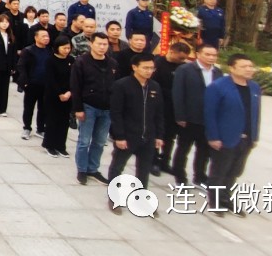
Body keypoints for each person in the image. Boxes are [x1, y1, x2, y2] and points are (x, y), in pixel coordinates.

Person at [106, 53, 164, 212]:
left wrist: (159, 135)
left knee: (144, 169)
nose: (149, 71)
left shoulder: (154, 87)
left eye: (151, 68)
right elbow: (116, 113)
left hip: (148, 136)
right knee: (118, 167)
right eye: (145, 68)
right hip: (127, 135)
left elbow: (159, 113)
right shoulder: (122, 85)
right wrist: (119, 136)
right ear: (134, 67)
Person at [204, 54, 261, 216]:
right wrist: (213, 137)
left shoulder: (254, 88)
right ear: (232, 68)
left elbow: (256, 113)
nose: (249, 69)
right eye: (244, 66)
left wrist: (254, 136)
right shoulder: (218, 87)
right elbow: (210, 114)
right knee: (219, 171)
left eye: (250, 66)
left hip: (246, 138)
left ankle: (226, 198)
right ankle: (215, 202)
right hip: (225, 137)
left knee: (235, 171)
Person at [172, 44, 224, 187]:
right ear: (198, 54)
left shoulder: (218, 72)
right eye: (207, 54)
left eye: (214, 55)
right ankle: (180, 176)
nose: (211, 58)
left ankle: (200, 176)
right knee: (183, 148)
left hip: (208, 120)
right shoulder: (185, 70)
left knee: (204, 150)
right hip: (189, 118)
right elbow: (178, 93)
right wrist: (180, 116)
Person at [70, 33, 116, 185]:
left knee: (100, 141)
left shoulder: (112, 63)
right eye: (99, 44)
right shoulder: (81, 62)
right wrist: (78, 108)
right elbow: (76, 87)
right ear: (91, 44)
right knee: (84, 140)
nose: (102, 47)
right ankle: (82, 169)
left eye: (105, 44)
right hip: (88, 106)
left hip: (107, 108)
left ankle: (93, 169)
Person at [152, 42, 191, 176]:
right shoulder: (157, 63)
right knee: (157, 134)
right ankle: (154, 161)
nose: (182, 61)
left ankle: (165, 161)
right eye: (180, 58)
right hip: (159, 105)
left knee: (170, 136)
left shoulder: (184, 67)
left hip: (175, 108)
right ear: (172, 52)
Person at [15, 28, 52, 139]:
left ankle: (40, 129)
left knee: (43, 108)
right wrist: (25, 82)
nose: (46, 38)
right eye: (43, 36)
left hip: (45, 84)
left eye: (47, 36)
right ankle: (27, 128)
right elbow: (21, 66)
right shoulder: (28, 50)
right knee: (29, 107)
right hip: (31, 84)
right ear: (36, 38)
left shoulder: (50, 51)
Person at [41, 35, 74, 158]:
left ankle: (61, 146)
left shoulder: (71, 60)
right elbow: (50, 80)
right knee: (52, 121)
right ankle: (49, 145)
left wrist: (69, 92)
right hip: (53, 96)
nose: (67, 50)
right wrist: (60, 94)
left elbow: (74, 78)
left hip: (67, 95)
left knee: (64, 121)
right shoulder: (50, 60)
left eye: (68, 48)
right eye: (64, 48)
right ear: (57, 47)